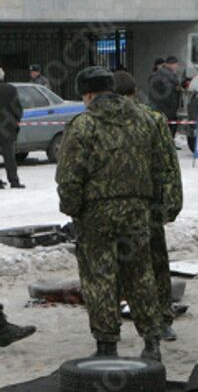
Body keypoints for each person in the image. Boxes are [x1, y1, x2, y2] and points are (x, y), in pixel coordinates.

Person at [56, 67, 166, 361]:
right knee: (141, 274)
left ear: (88, 94)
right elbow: (160, 166)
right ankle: (152, 340)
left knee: (99, 277)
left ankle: (107, 345)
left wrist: (72, 209)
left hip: (96, 214)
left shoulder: (83, 125)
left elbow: (69, 177)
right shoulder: (144, 119)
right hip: (137, 210)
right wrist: (153, 204)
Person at [112, 71, 182, 342]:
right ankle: (154, 318)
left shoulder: (151, 120)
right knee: (150, 264)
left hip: (139, 207)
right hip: (135, 206)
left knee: (151, 263)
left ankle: (160, 317)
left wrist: (170, 204)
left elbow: (167, 165)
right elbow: (169, 166)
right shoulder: (109, 121)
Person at [0, 68, 23, 190]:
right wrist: (17, 119)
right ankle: (14, 181)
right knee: (9, 156)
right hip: (8, 128)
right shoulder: (11, 89)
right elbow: (17, 108)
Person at [149, 56, 182, 139]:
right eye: (176, 64)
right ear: (171, 64)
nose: (177, 67)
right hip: (165, 109)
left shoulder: (168, 75)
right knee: (166, 133)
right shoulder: (164, 75)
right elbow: (167, 93)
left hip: (165, 109)